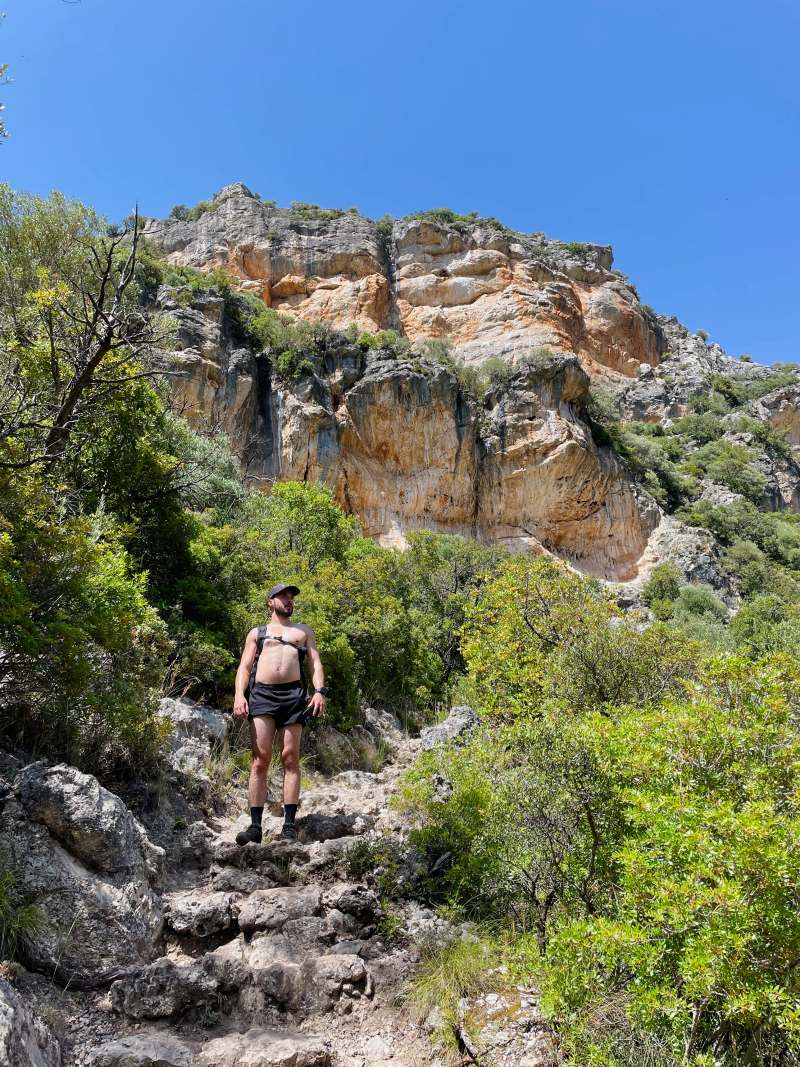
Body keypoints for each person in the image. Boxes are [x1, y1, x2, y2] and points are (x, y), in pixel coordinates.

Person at [232, 582, 329, 843]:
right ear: (270, 602)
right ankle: (255, 827)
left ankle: (288, 826)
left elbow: (315, 663)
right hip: (262, 696)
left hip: (293, 696)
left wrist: (320, 691)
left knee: (290, 758)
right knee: (260, 760)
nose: (289, 600)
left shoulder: (303, 631)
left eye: (291, 597)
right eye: (283, 597)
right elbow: (244, 667)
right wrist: (239, 695)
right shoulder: (257, 632)